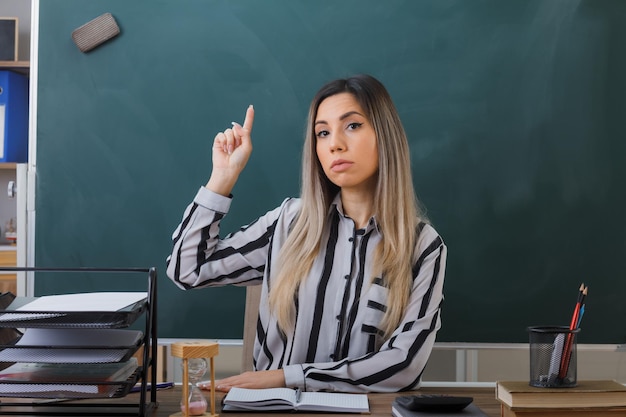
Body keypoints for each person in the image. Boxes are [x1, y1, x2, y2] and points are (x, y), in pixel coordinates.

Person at [166, 74, 447, 393]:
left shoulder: (423, 247)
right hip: (275, 412)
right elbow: (186, 270)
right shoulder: (288, 223)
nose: (335, 144)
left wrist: (288, 377)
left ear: (385, 135)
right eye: (322, 132)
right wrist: (223, 177)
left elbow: (404, 364)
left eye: (352, 125)